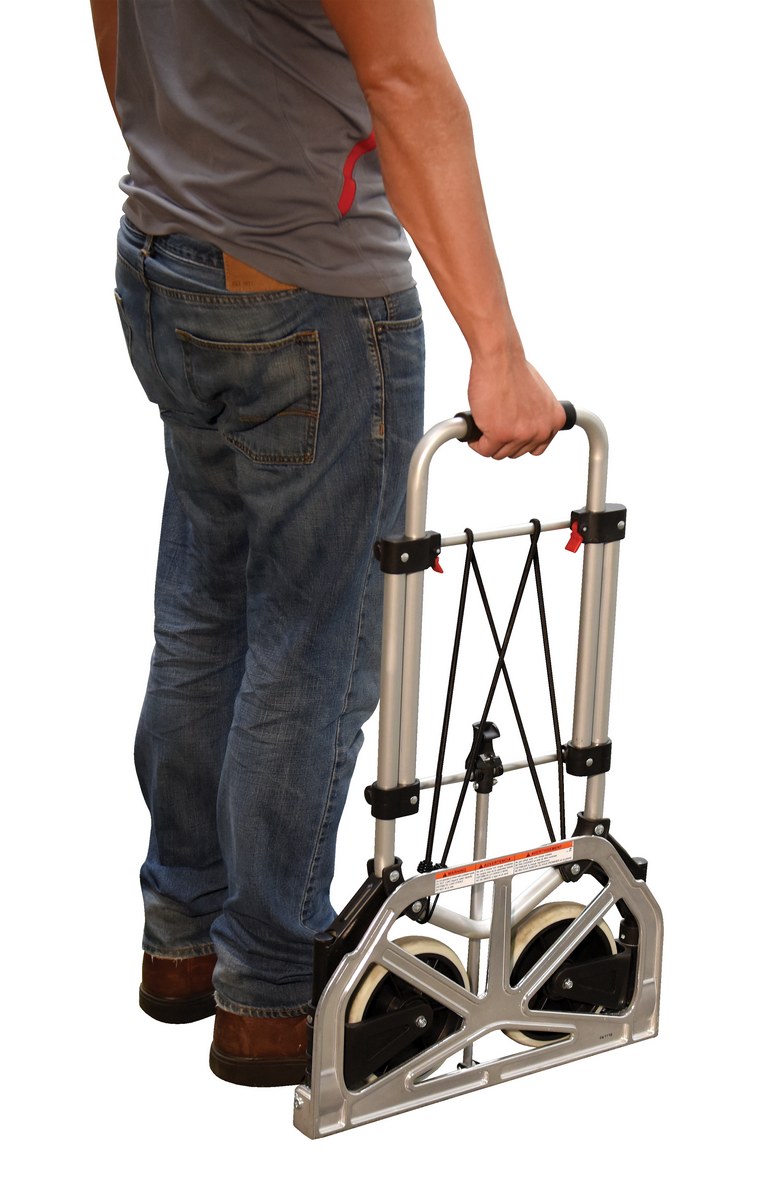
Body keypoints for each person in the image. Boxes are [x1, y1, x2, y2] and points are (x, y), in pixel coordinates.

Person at [90, 0, 565, 1087]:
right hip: (310, 293)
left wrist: (184, 162)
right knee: (312, 653)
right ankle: (268, 989)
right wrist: (497, 350)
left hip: (164, 256)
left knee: (204, 621)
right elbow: (405, 83)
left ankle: (182, 938)